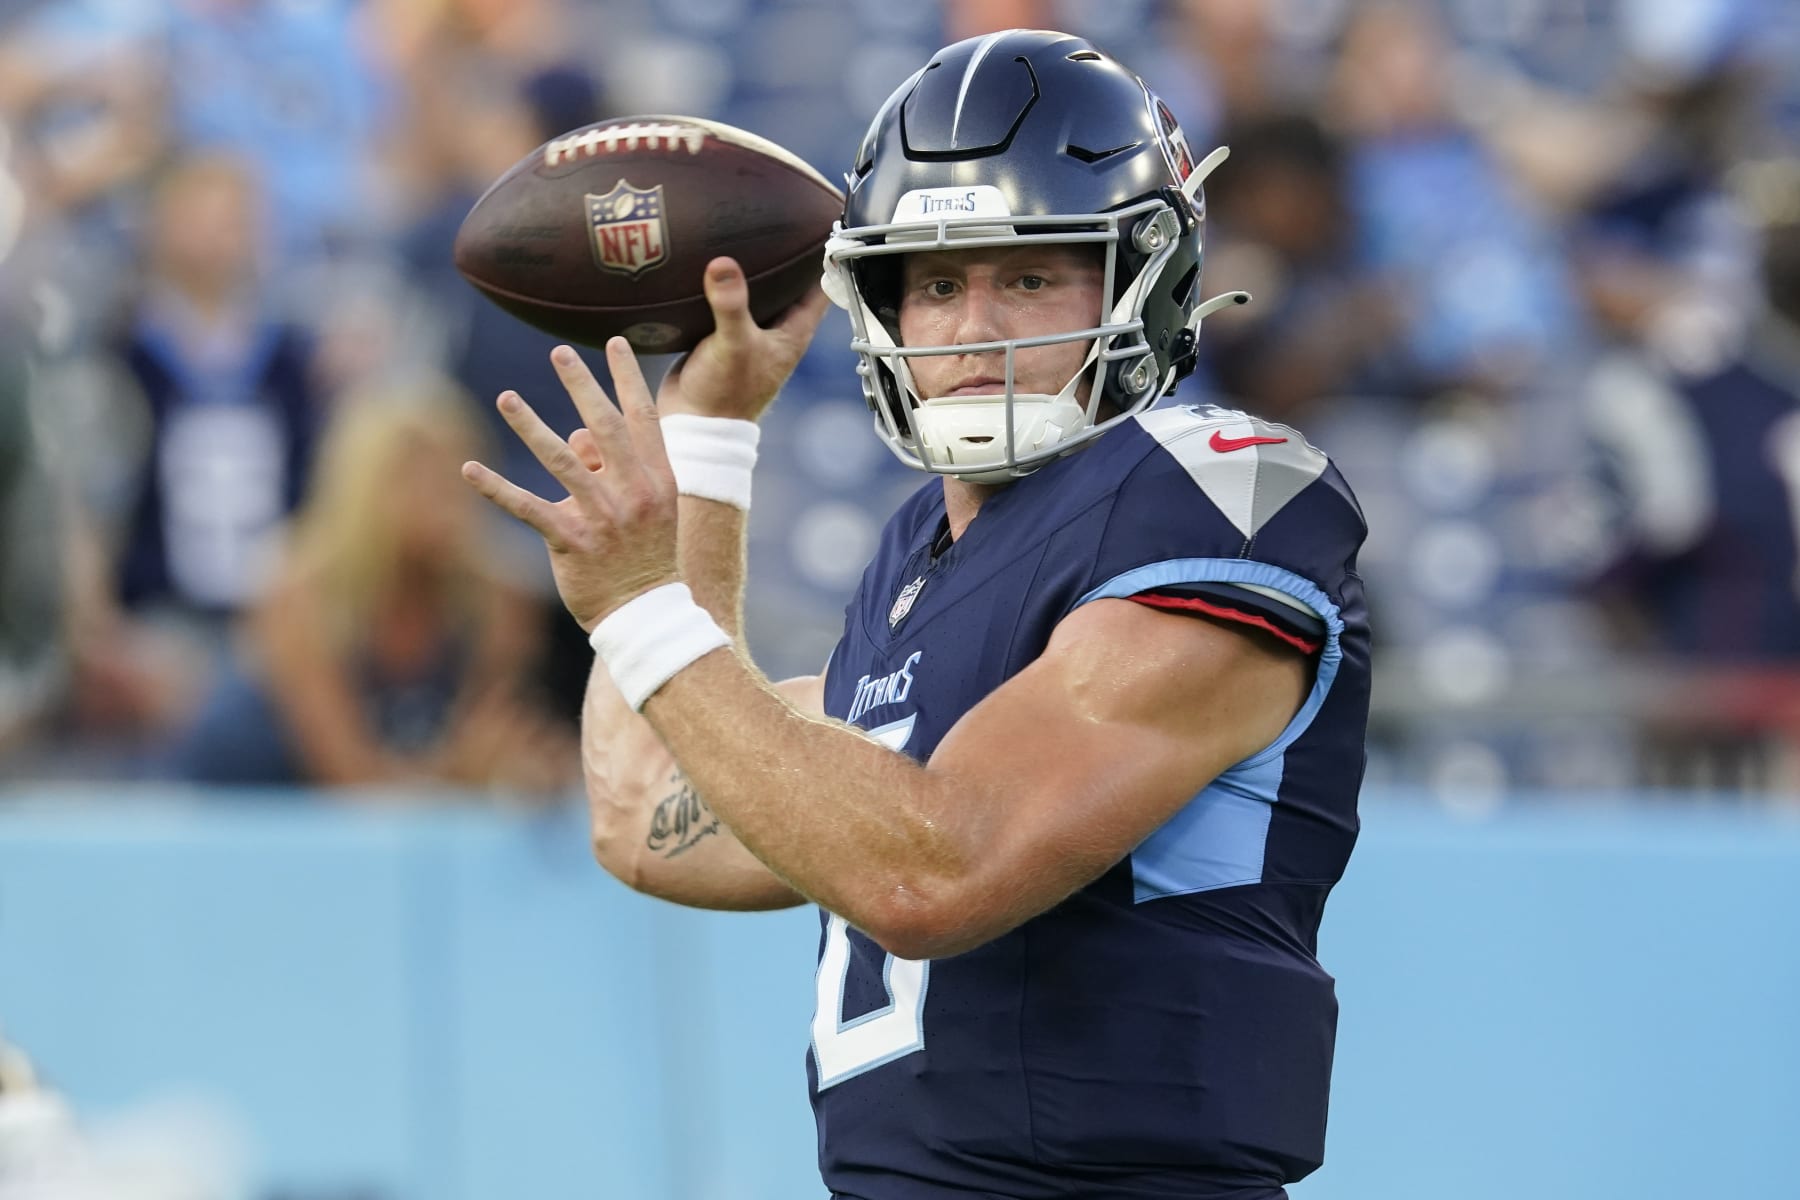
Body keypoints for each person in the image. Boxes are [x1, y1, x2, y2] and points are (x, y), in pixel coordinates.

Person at [464, 30, 1369, 1199]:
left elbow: (939, 872)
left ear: (1149, 274)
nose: (974, 329)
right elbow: (643, 810)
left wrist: (646, 610)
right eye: (936, 283)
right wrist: (710, 430)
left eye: (1030, 275)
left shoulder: (1220, 486)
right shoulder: (922, 559)